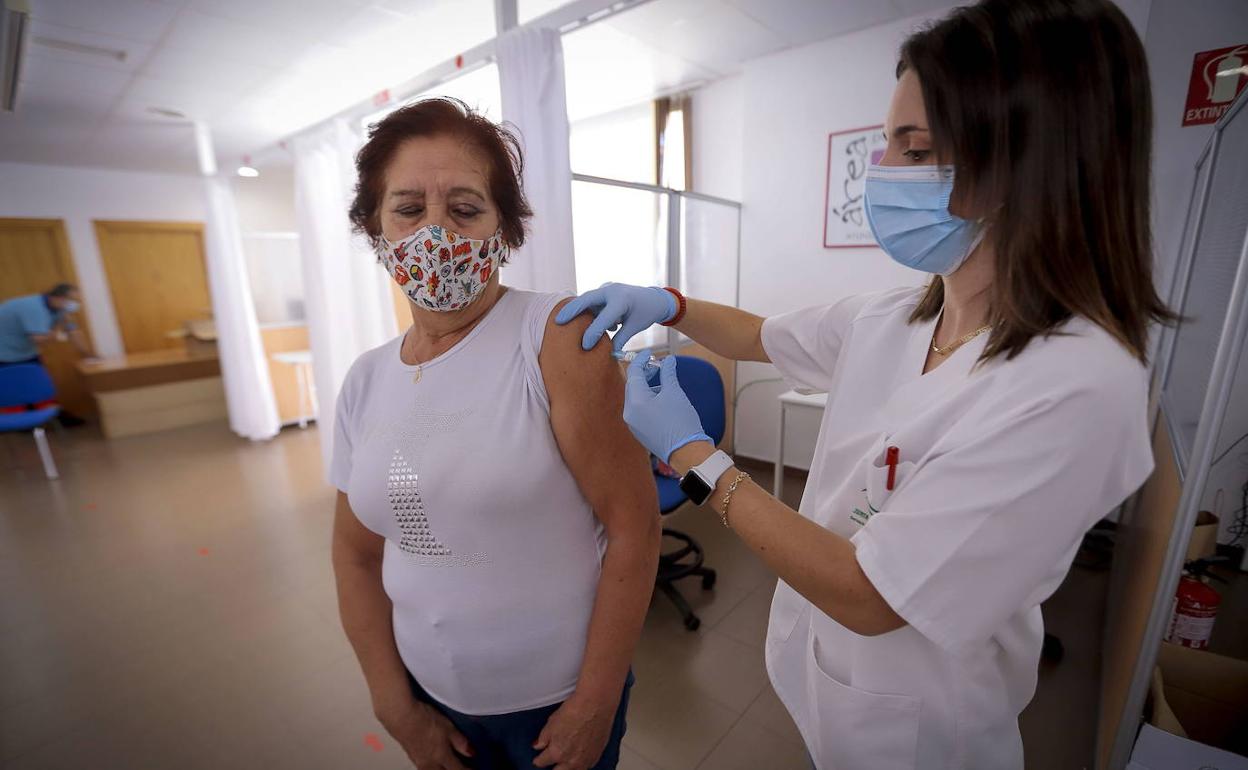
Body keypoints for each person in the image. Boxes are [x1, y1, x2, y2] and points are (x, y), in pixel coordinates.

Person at [556, 1, 1170, 767]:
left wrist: (694, 457)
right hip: (831, 682)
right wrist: (668, 302)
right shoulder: (903, 315)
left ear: (1031, 159)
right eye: (888, 144)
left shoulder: (1079, 386)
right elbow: (758, 335)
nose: (881, 172)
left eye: (914, 150)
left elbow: (870, 596)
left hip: (926, 730)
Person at [330, 98, 660, 770]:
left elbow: (634, 527)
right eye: (408, 208)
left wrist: (595, 702)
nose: (435, 232)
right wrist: (391, 702)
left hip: (554, 708)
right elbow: (355, 554)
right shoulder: (365, 380)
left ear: (504, 228)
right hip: (429, 701)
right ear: (375, 227)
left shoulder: (558, 341)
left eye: (464, 207)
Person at [0, 283, 93, 367]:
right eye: (72, 300)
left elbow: (73, 331)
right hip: (5, 355)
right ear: (58, 297)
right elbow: (39, 338)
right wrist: (59, 335)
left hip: (26, 352)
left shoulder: (59, 308)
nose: (75, 304)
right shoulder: (34, 308)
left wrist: (89, 355)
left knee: (35, 381)